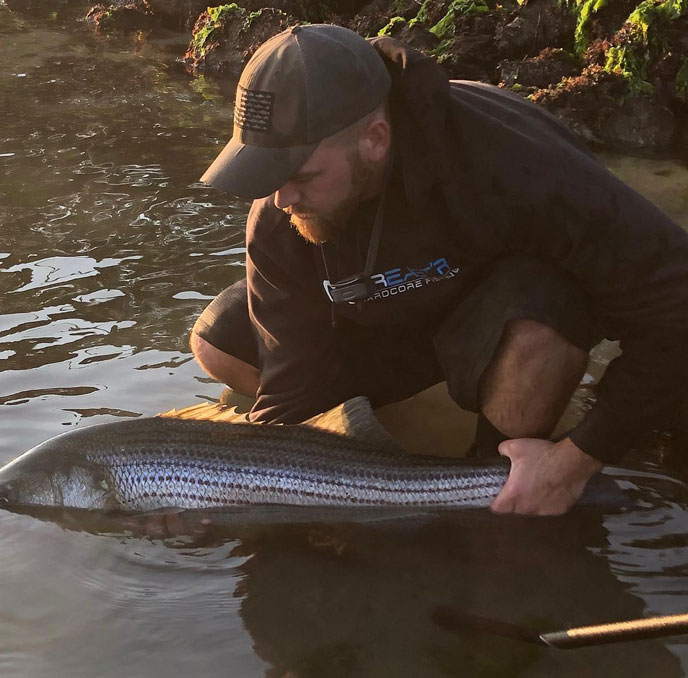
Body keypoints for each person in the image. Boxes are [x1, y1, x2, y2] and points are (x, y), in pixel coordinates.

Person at [191, 23, 688, 515]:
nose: (281, 198)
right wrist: (218, 498)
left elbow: (675, 303)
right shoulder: (278, 212)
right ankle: (374, 448)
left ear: (375, 140)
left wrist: (579, 458)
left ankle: (502, 478)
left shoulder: (515, 162)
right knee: (215, 340)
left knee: (546, 319)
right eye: (267, 174)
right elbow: (290, 397)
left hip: (492, 313)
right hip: (380, 318)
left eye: (300, 175)